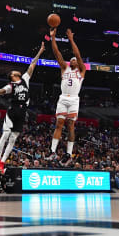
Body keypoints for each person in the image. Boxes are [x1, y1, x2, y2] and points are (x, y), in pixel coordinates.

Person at [0, 42, 45, 172]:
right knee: (6, 135)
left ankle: (2, 163)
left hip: (22, 112)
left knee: (13, 139)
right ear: (12, 76)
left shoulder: (25, 79)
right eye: (14, 72)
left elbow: (33, 64)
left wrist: (41, 51)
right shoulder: (10, 86)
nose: (17, 70)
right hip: (13, 110)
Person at [47, 28, 86, 166]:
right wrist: (53, 37)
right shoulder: (64, 68)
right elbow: (57, 53)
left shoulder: (81, 70)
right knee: (59, 124)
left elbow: (78, 55)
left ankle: (69, 153)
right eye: (71, 59)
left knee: (70, 126)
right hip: (63, 98)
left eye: (74, 59)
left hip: (74, 99)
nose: (73, 60)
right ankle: (52, 151)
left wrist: (71, 39)